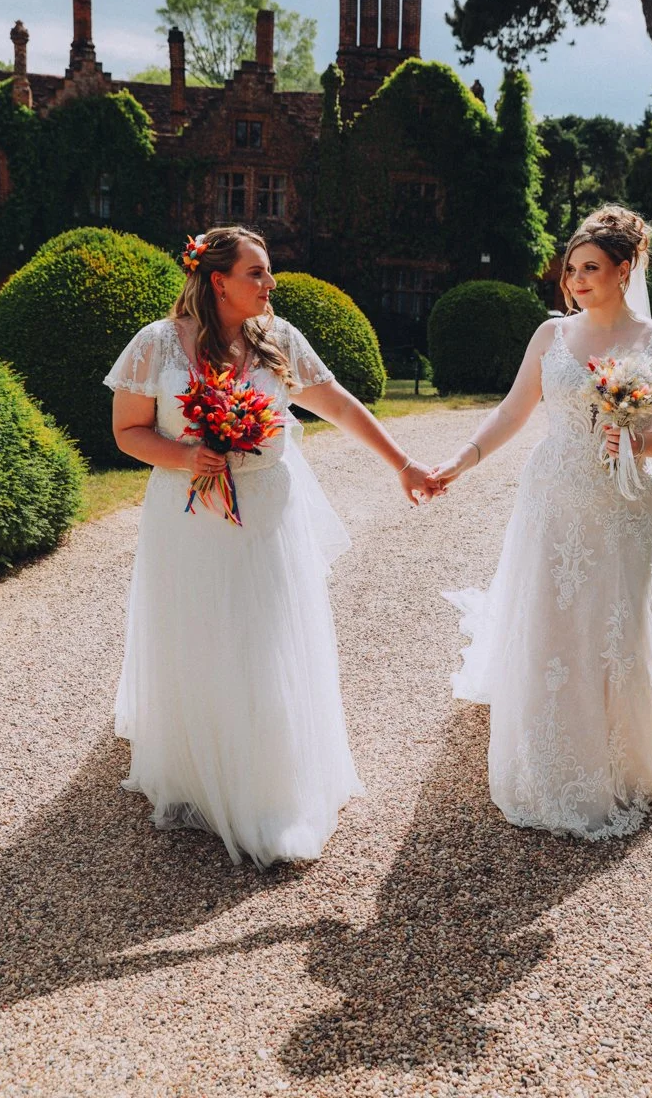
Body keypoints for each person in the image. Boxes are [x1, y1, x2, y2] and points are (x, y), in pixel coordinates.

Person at [105, 226, 441, 868]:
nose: (270, 282)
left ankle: (269, 778)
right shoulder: (155, 343)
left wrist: (402, 463)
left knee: (266, 635)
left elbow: (337, 405)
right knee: (201, 631)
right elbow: (127, 432)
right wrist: (185, 454)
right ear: (217, 281)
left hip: (268, 511)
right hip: (191, 511)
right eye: (257, 272)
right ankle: (202, 767)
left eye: (268, 271)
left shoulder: (278, 340)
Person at [434, 205, 652, 840]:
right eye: (571, 269)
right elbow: (511, 411)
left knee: (614, 620)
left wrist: (634, 445)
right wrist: (461, 460)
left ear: (624, 268)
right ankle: (550, 756)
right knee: (552, 617)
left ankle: (618, 760)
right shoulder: (549, 336)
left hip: (621, 498)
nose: (576, 280)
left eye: (591, 268)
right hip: (553, 491)